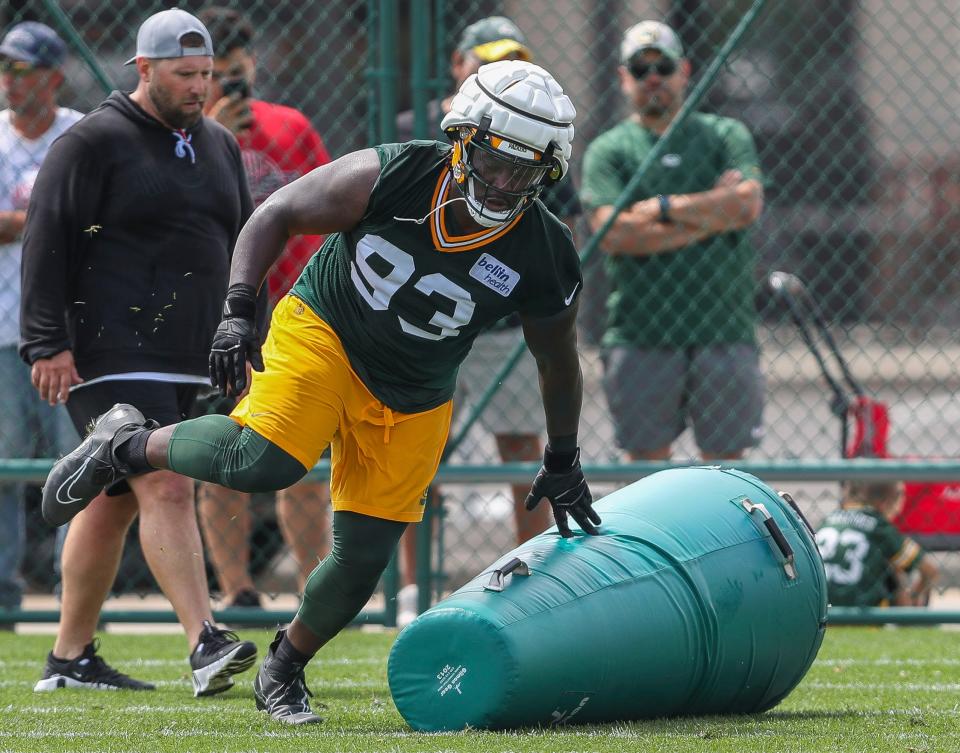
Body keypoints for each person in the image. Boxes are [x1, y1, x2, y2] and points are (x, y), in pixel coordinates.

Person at [40, 60, 601, 724]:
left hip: (415, 386)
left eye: (526, 172)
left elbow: (558, 360)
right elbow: (276, 212)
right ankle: (126, 444)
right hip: (328, 327)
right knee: (267, 460)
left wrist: (562, 455)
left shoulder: (543, 250)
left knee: (364, 558)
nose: (505, 182)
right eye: (495, 160)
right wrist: (238, 309)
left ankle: (284, 667)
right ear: (461, 137)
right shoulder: (393, 173)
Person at [19, 8, 257, 694]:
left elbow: (245, 242)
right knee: (166, 481)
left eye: (206, 75)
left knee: (115, 500)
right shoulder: (90, 142)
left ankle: (68, 658)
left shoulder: (218, 143)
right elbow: (47, 240)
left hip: (190, 351)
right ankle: (204, 640)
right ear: (143, 69)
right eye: (184, 74)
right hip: (109, 348)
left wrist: (247, 334)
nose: (198, 87)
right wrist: (47, 342)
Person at [393, 16, 585, 624]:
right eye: (489, 60)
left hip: (499, 322)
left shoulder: (540, 136)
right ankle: (409, 587)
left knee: (521, 447)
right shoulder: (414, 133)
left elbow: (563, 229)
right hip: (427, 316)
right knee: (416, 451)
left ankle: (525, 577)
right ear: (459, 65)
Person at [195, 5, 334, 612]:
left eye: (237, 74)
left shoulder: (291, 126)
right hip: (217, 310)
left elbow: (330, 205)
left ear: (253, 67)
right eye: (216, 75)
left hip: (290, 311)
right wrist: (209, 131)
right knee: (218, 450)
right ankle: (237, 590)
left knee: (299, 458)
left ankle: (313, 590)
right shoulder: (185, 133)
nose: (229, 86)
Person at [581, 20, 765, 462]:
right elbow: (614, 233)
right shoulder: (609, 149)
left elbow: (746, 205)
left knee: (724, 474)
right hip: (641, 333)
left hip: (723, 329)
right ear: (624, 78)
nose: (653, 79)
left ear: (684, 70)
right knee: (648, 476)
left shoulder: (724, 135)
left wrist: (663, 209)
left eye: (662, 66)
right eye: (640, 70)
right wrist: (712, 212)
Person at [0, 22, 82, 622]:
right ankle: (3, 597)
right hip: (2, 332)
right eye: (6, 67)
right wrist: (47, 217)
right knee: (3, 468)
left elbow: (92, 220)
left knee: (76, 469)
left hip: (67, 333)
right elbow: (63, 219)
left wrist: (26, 219)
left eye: (22, 69)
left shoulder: (78, 135)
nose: (9, 78)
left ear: (53, 76)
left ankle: (70, 598)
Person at [816, 481, 940, 607]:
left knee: (887, 561)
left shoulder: (829, 519)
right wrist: (915, 594)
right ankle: (905, 620)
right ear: (887, 502)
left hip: (820, 608)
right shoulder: (878, 525)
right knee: (894, 572)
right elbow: (930, 570)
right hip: (860, 611)